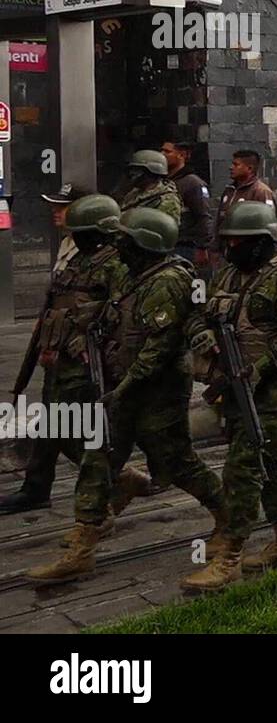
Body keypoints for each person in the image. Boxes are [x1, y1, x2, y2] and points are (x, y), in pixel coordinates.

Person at [28, 209, 225, 585]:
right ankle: (84, 545)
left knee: (177, 463)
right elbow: (102, 311)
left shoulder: (169, 281)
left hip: (157, 390)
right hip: (120, 385)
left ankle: (227, 516)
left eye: (126, 240)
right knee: (96, 457)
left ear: (145, 246)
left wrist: (121, 389)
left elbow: (158, 349)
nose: (117, 245)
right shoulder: (126, 273)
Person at [181, 202, 277, 591]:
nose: (230, 249)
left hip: (274, 392)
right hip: (233, 386)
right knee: (270, 464)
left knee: (243, 468)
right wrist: (202, 335)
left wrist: (261, 368)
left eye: (238, 243)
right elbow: (199, 313)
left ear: (261, 242)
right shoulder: (228, 274)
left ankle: (231, 556)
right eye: (227, 242)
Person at [0, 195, 128, 516]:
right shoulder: (78, 256)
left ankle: (113, 480)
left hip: (85, 358)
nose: (58, 216)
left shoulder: (115, 263)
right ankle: (37, 488)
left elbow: (120, 315)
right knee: (52, 423)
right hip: (59, 353)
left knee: (72, 426)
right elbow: (59, 297)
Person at [162, 140, 213, 267]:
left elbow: (204, 216)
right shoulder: (163, 182)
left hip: (185, 247)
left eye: (167, 151)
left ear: (182, 155)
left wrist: (202, 247)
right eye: (161, 150)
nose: (162, 154)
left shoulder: (193, 183)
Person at [214, 150, 277, 250]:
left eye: (236, 165)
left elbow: (268, 226)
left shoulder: (261, 191)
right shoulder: (229, 190)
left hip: (248, 251)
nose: (231, 167)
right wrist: (215, 248)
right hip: (226, 250)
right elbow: (219, 221)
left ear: (249, 168)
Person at [119, 150, 182, 222]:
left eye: (136, 170)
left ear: (150, 173)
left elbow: (165, 229)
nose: (131, 174)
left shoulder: (167, 200)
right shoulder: (135, 192)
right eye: (132, 170)